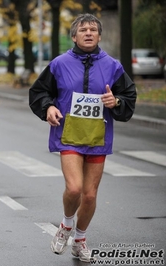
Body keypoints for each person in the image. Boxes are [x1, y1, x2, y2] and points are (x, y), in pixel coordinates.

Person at [29, 13, 136, 262]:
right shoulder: (58, 64)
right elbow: (39, 92)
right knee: (74, 188)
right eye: (83, 29)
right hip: (68, 135)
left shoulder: (113, 66)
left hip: (98, 137)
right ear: (74, 36)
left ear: (99, 36)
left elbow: (128, 98)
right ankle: (66, 225)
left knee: (89, 195)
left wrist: (116, 101)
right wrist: (48, 107)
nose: (88, 33)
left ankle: (80, 239)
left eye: (93, 29)